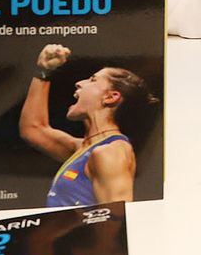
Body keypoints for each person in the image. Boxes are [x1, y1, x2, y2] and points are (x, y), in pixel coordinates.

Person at [17, 44, 153, 207]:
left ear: (110, 97)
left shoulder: (110, 152)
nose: (79, 83)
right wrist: (43, 72)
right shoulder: (84, 148)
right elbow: (33, 129)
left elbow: (116, 222)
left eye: (93, 80)